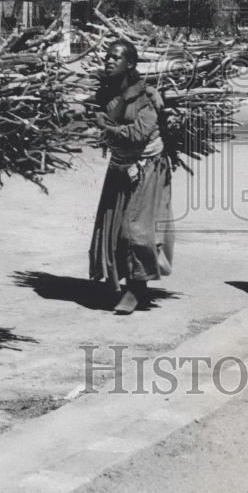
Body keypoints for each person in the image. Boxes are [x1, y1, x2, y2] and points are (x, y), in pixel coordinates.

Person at [89, 39, 174, 315]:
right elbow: (103, 118)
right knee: (114, 229)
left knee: (135, 230)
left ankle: (138, 289)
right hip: (120, 166)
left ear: (131, 64)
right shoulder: (107, 93)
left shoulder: (146, 97)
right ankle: (126, 283)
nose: (108, 61)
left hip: (147, 167)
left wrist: (108, 127)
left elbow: (137, 135)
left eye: (115, 57)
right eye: (107, 56)